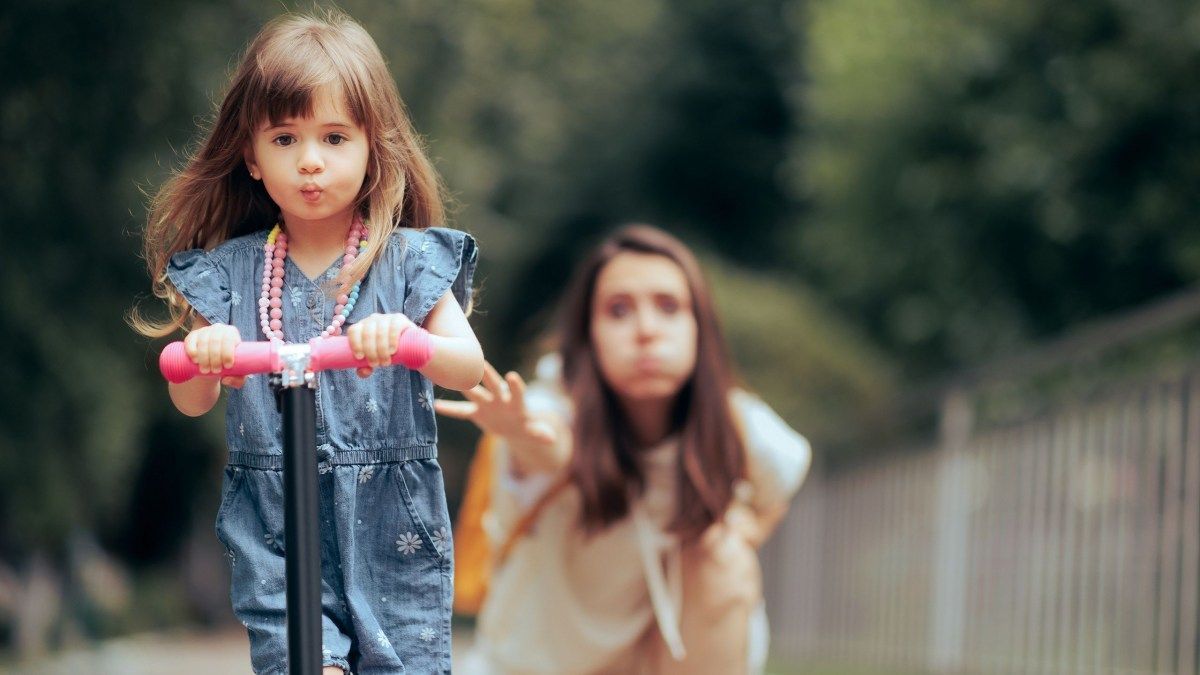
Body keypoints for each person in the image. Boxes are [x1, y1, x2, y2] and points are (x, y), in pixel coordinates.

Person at [131, 11, 483, 674]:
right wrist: (207, 357)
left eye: (334, 137)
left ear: (373, 147)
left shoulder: (407, 262)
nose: (311, 160)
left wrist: (410, 339)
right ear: (252, 157)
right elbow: (191, 397)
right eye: (286, 137)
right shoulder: (232, 275)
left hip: (391, 519)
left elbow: (469, 367)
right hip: (275, 524)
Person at [436, 225, 811, 674]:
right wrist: (520, 432)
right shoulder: (552, 406)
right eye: (619, 311)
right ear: (589, 334)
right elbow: (550, 444)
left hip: (656, 659)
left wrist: (734, 532)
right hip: (536, 664)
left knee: (724, 554)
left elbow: (786, 478)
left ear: (699, 328)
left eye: (669, 307)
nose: (647, 330)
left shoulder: (735, 424)